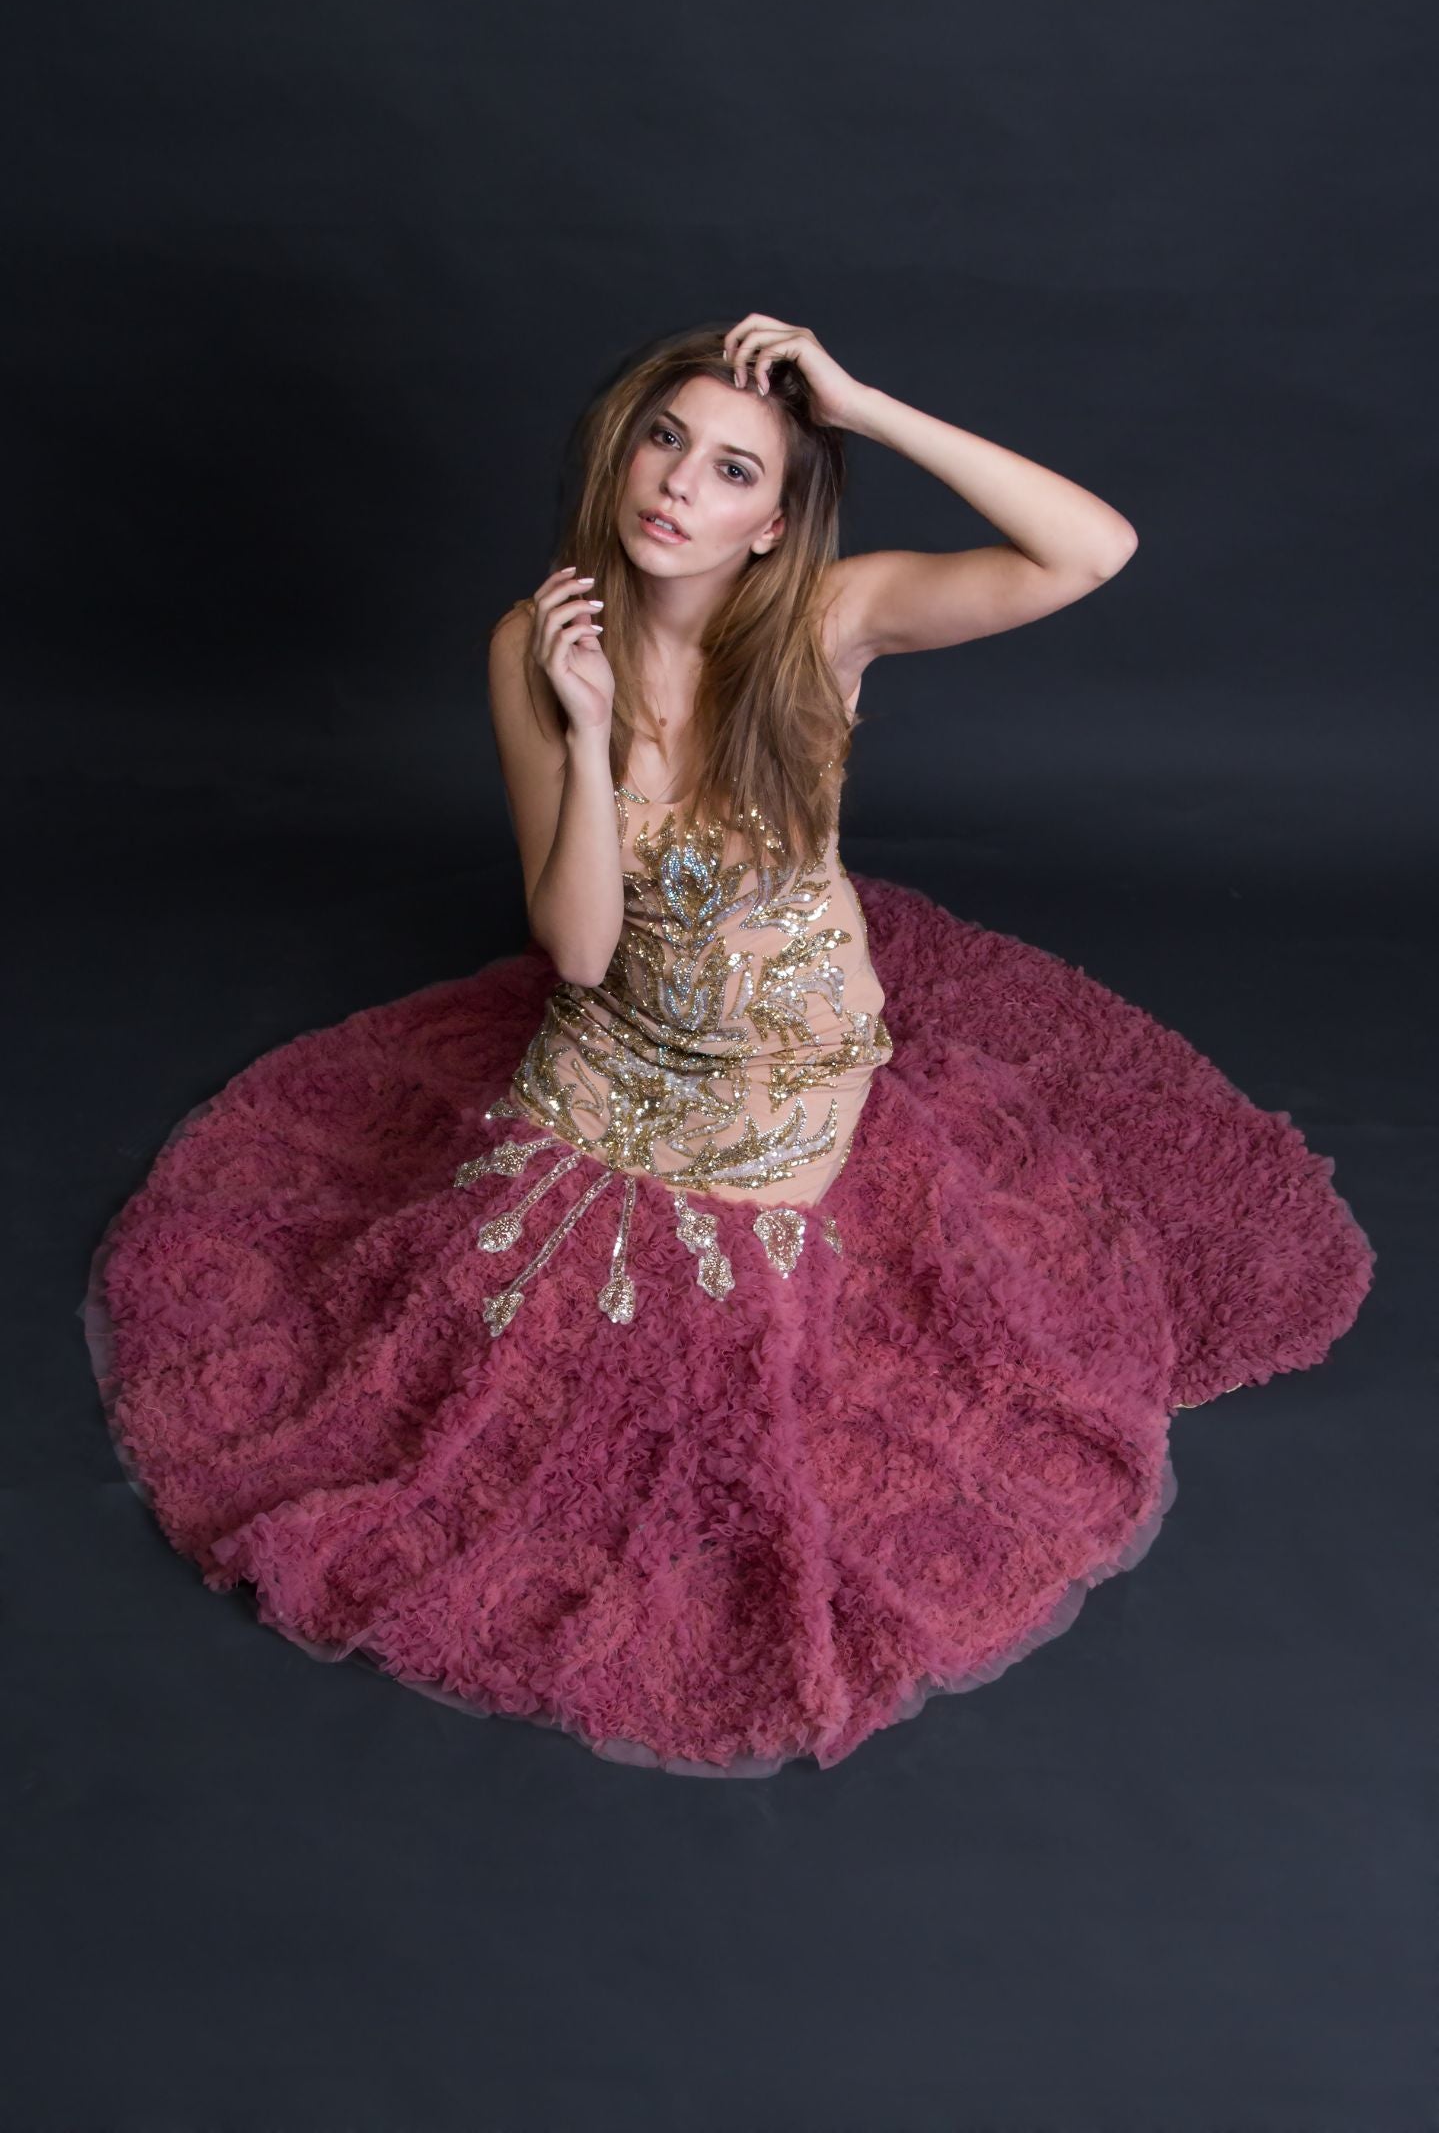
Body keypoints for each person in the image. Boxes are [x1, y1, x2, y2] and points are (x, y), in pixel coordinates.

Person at [79, 315, 1376, 1777]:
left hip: (792, 1068)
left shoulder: (828, 618)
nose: (679, 484)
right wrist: (584, 733)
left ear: (772, 523)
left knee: (734, 1349)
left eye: (734, 469)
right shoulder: (537, 639)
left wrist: (863, 408)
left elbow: (1091, 550)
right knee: (507, 1340)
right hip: (619, 1040)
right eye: (664, 440)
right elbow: (576, 951)